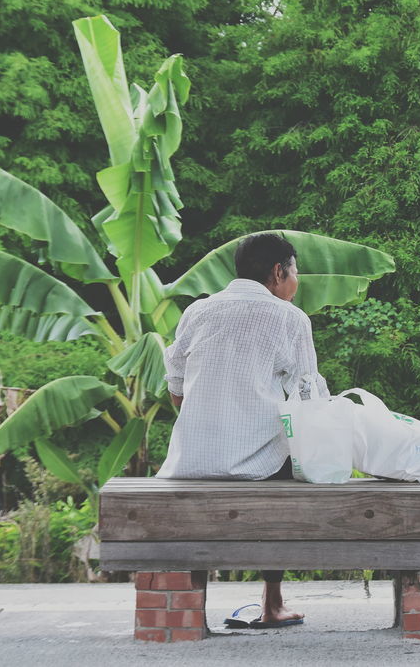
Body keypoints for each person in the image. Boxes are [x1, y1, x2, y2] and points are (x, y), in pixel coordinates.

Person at [156, 231, 327, 629]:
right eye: (295, 271)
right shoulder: (290, 318)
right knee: (293, 467)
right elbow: (309, 395)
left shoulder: (197, 312)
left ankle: (186, 607)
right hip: (259, 466)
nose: (296, 281)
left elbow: (176, 390)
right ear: (277, 271)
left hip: (189, 462)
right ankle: (272, 603)